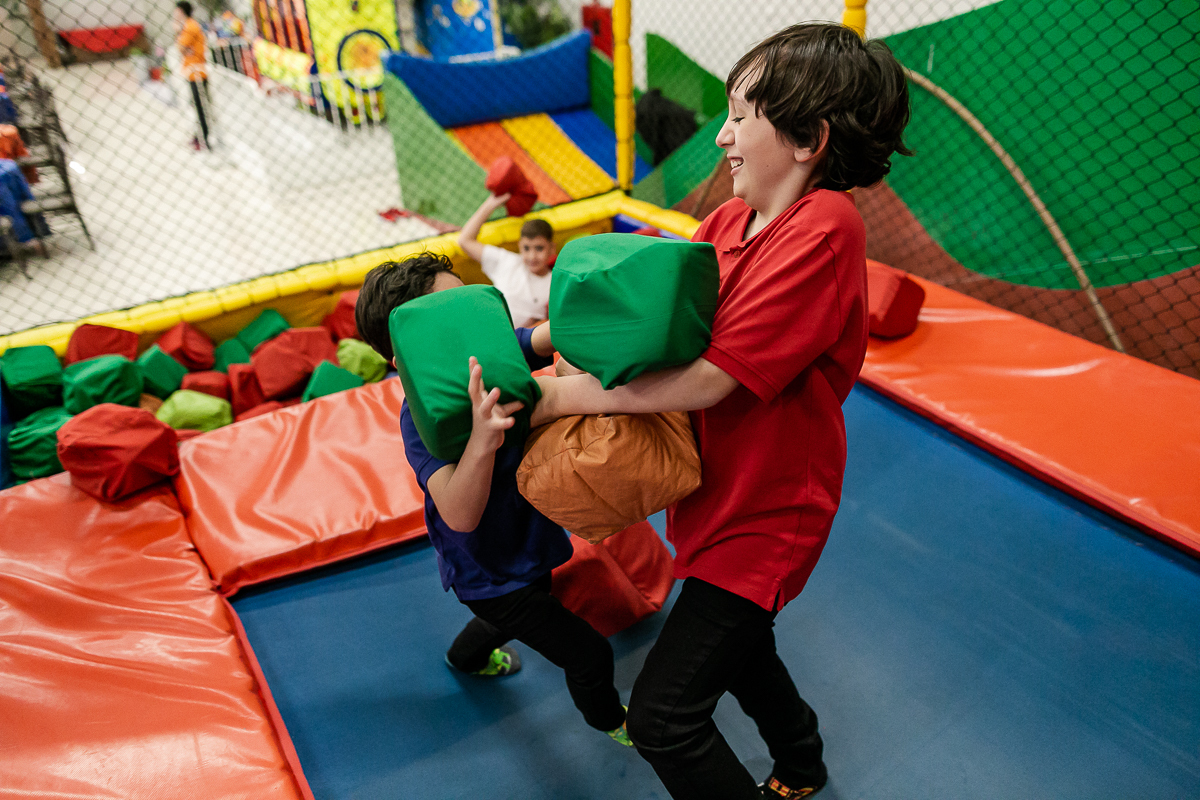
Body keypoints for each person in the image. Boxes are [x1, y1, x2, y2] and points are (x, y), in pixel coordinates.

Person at [533, 23, 912, 800]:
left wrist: (554, 398)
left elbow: (710, 379)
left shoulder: (826, 227)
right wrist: (536, 344)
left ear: (808, 138)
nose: (722, 135)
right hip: (708, 493)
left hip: (770, 512)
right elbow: (642, 323)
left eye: (741, 116)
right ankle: (802, 759)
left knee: (668, 716)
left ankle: (799, 759)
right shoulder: (727, 225)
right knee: (741, 651)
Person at [353, 252, 632, 751]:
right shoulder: (419, 422)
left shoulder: (492, 355)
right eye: (453, 316)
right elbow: (459, 514)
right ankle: (607, 718)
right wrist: (481, 440)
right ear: (407, 356)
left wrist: (598, 314)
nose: (475, 322)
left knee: (516, 614)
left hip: (529, 541)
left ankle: (464, 658)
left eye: (471, 304)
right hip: (486, 570)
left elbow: (545, 337)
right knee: (587, 653)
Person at [458, 194, 555, 328]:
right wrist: (491, 203)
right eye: (526, 248)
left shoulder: (554, 283)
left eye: (539, 248)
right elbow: (465, 241)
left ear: (551, 248)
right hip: (485, 326)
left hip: (519, 341)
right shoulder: (508, 261)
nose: (532, 256)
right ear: (519, 246)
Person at [173, 1, 211, 150]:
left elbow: (180, 48)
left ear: (181, 11)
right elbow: (183, 49)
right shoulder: (189, 26)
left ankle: (203, 140)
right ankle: (199, 137)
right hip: (193, 72)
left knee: (200, 108)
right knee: (197, 108)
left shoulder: (189, 26)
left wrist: (178, 34)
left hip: (197, 73)